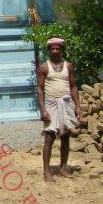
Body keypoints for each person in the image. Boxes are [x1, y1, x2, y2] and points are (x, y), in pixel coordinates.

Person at [36, 37, 82, 182]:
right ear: (49, 51)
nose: (55, 51)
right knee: (49, 137)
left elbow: (73, 86)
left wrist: (78, 107)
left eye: (58, 49)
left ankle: (63, 167)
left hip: (66, 102)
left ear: (61, 50)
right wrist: (43, 109)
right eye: (52, 49)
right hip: (51, 103)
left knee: (65, 135)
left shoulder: (68, 66)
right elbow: (40, 89)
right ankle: (46, 171)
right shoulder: (44, 67)